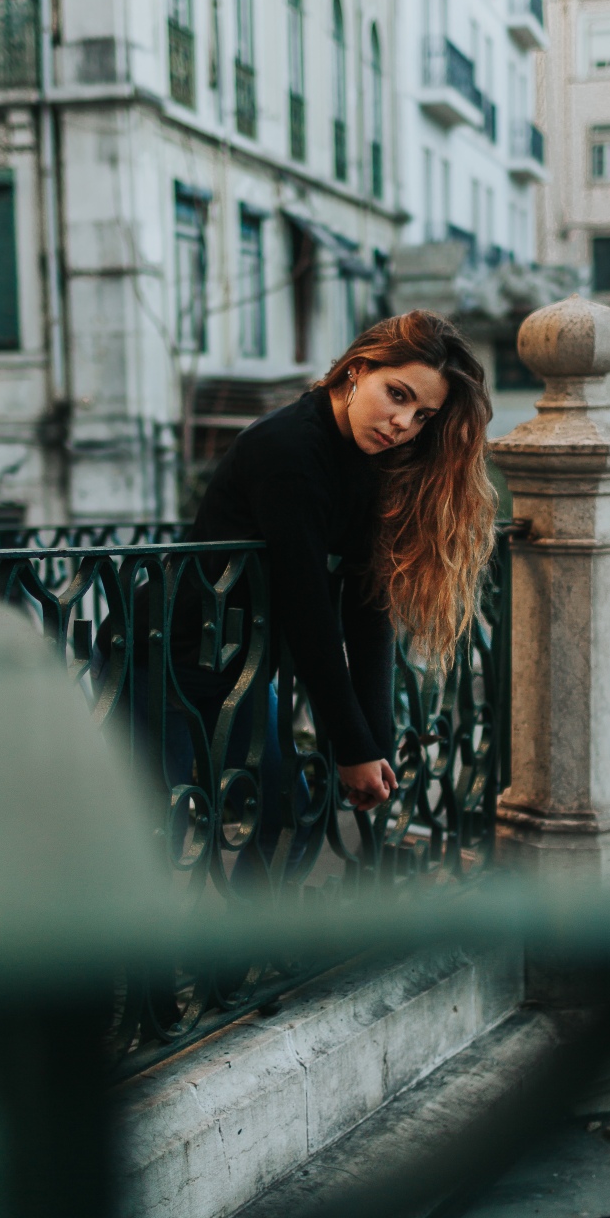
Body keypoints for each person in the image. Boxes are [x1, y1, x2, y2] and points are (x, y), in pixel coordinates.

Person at [176, 310, 496, 842]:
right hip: (163, 663)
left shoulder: (368, 459)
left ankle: (251, 929)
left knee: (292, 829)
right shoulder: (291, 450)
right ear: (357, 370)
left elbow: (367, 601)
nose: (404, 424)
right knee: (151, 837)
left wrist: (374, 743)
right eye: (398, 395)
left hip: (237, 668)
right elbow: (308, 610)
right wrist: (352, 749)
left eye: (423, 416)